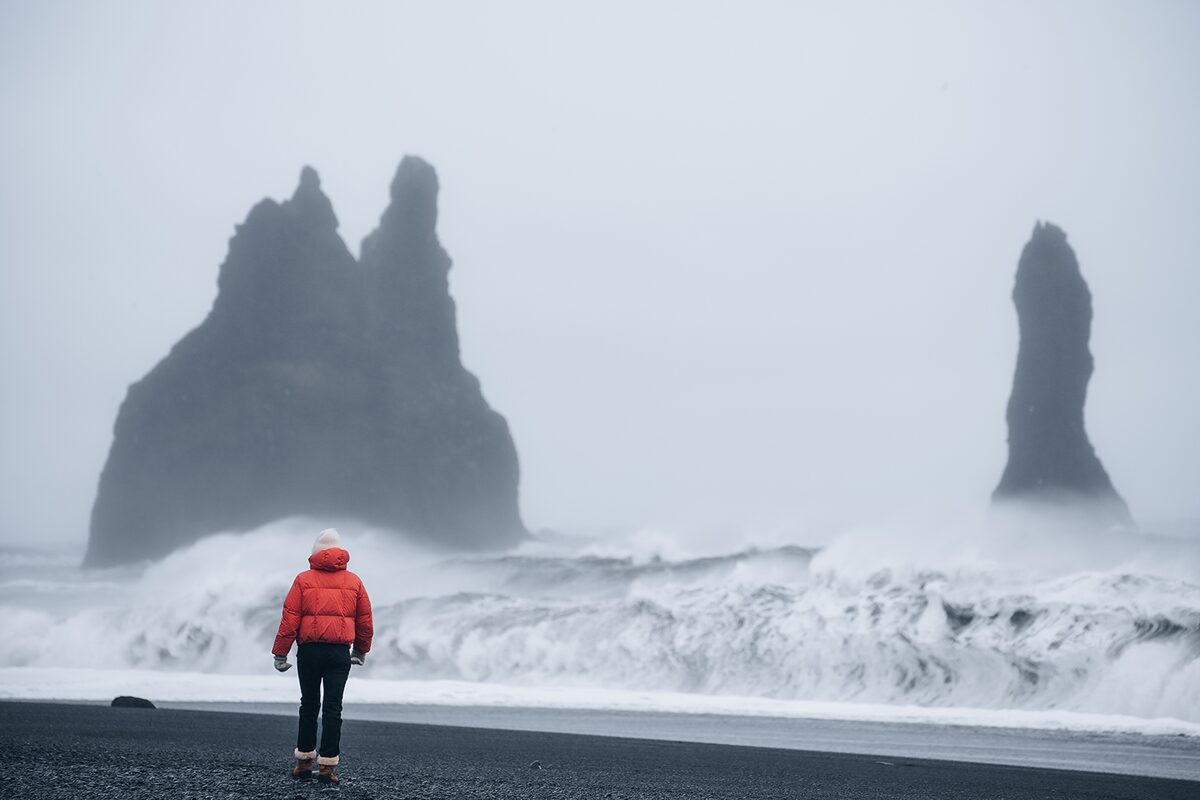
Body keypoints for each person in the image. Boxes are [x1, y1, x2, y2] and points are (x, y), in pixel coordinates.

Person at [272, 528, 374, 784]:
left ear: (315, 553)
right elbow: (365, 621)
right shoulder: (354, 581)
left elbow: (290, 619)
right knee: (333, 708)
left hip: (309, 651)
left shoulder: (303, 580)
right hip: (339, 653)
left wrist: (280, 654)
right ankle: (328, 768)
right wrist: (361, 650)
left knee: (309, 705)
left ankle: (304, 763)